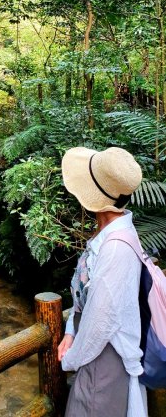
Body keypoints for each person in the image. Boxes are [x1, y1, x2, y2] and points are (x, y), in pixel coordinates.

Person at [58, 146, 148, 417]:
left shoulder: (116, 248)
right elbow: (86, 295)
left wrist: (69, 360)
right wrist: (70, 332)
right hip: (97, 358)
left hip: (104, 365)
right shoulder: (109, 234)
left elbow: (101, 320)